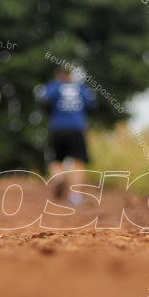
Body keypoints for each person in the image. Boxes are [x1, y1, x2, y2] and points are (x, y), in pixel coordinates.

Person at [37, 64, 96, 205]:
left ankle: (59, 179)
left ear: (58, 74)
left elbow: (43, 102)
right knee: (78, 162)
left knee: (55, 159)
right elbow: (92, 106)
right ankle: (75, 195)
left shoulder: (53, 86)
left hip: (57, 128)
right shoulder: (82, 88)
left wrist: (52, 114)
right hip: (77, 128)